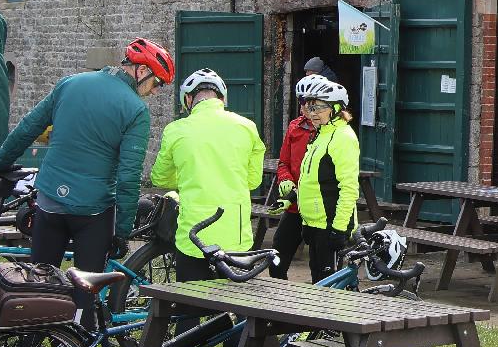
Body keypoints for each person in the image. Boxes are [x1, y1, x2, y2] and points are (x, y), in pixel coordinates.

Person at [0, 38, 173, 287]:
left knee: (40, 286)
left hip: (49, 202)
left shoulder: (70, 83)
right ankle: (80, 321)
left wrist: (0, 162)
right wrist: (122, 231)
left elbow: (29, 127)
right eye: (157, 82)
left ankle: (41, 324)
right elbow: (128, 177)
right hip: (93, 211)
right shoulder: (135, 110)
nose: (155, 91)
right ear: (141, 70)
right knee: (86, 290)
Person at [148, 69, 265, 280]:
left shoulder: (175, 130)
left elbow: (159, 178)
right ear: (222, 98)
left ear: (188, 98)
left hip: (192, 237)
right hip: (235, 237)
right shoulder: (247, 127)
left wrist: (189, 178)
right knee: (233, 305)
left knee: (189, 308)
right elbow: (253, 181)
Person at [272, 77, 359, 281]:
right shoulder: (320, 134)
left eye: (319, 107)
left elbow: (349, 188)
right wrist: (291, 198)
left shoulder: (343, 137)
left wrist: (339, 229)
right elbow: (312, 182)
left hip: (329, 224)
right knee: (317, 282)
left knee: (327, 291)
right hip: (313, 223)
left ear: (336, 108)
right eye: (310, 107)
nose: (312, 113)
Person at [268, 71, 333, 264]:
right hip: (295, 206)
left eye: (310, 101)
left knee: (319, 267)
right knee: (277, 258)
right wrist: (286, 179)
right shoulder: (295, 127)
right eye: (302, 101)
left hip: (320, 209)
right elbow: (284, 163)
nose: (304, 106)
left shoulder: (334, 133)